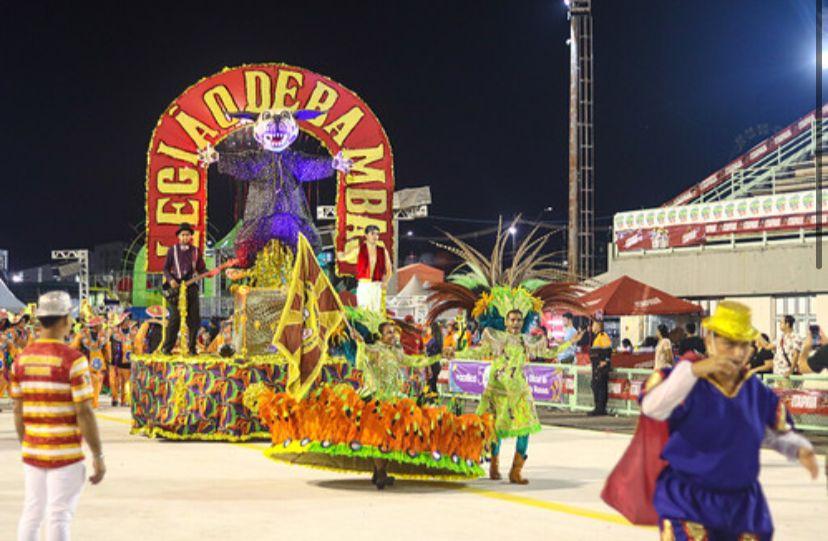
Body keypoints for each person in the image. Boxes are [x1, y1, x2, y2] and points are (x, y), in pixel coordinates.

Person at [639, 301, 817, 539]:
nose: (737, 352)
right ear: (709, 341)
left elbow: (776, 432)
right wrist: (693, 372)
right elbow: (653, 407)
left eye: (743, 345)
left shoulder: (756, 390)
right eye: (728, 343)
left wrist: (800, 449)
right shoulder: (684, 381)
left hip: (742, 503)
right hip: (689, 500)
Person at [10, 291, 106, 540]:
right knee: (59, 515)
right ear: (64, 320)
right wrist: (98, 455)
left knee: (32, 512)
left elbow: (18, 411)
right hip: (65, 454)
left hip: (33, 452)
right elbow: (84, 412)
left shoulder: (21, 361)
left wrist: (29, 444)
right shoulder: (73, 361)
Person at [476, 309, 581, 483]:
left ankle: (515, 472)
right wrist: (454, 353)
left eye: (519, 320)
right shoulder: (497, 339)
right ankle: (494, 467)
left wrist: (569, 342)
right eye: (512, 320)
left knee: (525, 429)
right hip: (499, 390)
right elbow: (478, 352)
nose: (516, 323)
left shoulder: (527, 341)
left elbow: (549, 353)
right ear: (506, 321)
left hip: (521, 391)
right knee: (496, 429)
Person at [161, 222, 207, 355]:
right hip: (176, 289)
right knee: (175, 318)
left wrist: (208, 273)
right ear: (179, 237)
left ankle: (192, 348)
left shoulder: (196, 251)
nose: (185, 237)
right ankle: (167, 348)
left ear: (191, 237)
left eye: (187, 235)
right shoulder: (172, 251)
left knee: (194, 319)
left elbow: (201, 269)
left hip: (191, 287)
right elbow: (165, 269)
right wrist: (171, 280)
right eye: (183, 235)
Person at [71, 316, 111, 409]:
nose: (101, 326)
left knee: (97, 381)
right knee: (91, 382)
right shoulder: (83, 334)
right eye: (99, 324)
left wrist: (108, 360)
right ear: (95, 326)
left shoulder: (102, 335)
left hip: (97, 363)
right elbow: (74, 347)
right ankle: (91, 402)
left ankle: (94, 402)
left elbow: (106, 350)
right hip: (89, 362)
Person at [352, 225, 392, 313]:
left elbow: (389, 269)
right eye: (372, 234)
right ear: (366, 235)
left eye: (377, 234)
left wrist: (386, 282)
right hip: (364, 285)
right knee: (364, 311)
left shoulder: (382, 250)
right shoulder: (359, 249)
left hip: (376, 285)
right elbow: (343, 257)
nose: (375, 237)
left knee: (376, 311)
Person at [589, 319, 612, 416]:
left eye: (593, 324)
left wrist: (605, 361)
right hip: (596, 367)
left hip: (601, 367)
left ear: (598, 325)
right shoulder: (597, 337)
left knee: (600, 387)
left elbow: (608, 351)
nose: (592, 327)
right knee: (596, 386)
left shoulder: (603, 336)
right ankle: (597, 407)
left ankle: (600, 408)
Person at [108, 313, 132, 407]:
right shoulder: (114, 333)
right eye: (125, 321)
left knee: (126, 383)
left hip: (127, 364)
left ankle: (124, 400)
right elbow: (106, 342)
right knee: (114, 383)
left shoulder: (133, 333)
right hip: (114, 362)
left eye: (128, 320)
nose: (127, 322)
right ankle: (114, 399)